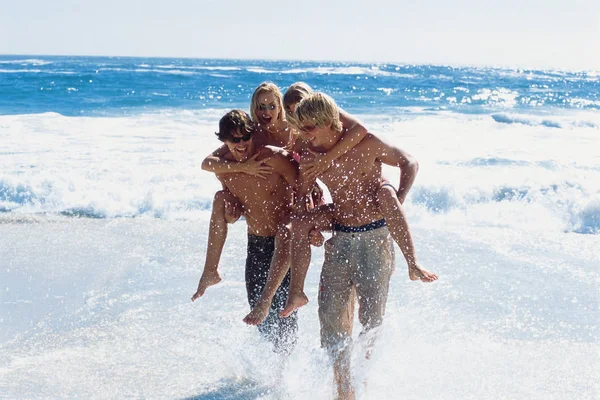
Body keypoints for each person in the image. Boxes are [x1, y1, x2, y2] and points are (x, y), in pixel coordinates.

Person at [283, 92, 438, 399]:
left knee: (371, 322)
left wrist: (399, 199)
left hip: (375, 240)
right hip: (340, 236)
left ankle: (412, 263)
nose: (305, 135)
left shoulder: (367, 144)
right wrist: (312, 223)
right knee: (332, 325)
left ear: (329, 122)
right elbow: (302, 194)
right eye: (301, 128)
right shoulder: (311, 153)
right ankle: (344, 389)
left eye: (310, 127)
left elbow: (410, 162)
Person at [190, 109, 298, 353]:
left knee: (284, 316)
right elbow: (234, 206)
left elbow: (302, 188)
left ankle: (291, 380)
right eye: (234, 140)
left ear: (253, 135)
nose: (240, 145)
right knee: (264, 325)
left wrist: (308, 224)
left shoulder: (272, 158)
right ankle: (211, 270)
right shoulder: (224, 168)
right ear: (225, 141)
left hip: (285, 244)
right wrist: (232, 212)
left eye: (245, 138)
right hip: (257, 245)